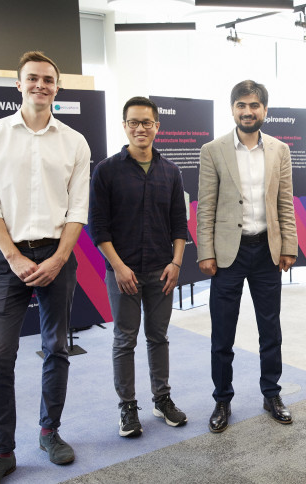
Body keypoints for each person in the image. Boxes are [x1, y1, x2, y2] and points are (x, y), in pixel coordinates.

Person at [0, 51, 90, 483]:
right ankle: (2, 452)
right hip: (9, 259)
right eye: (33, 79)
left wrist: (59, 257)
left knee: (56, 346)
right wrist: (15, 257)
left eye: (48, 80)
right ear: (18, 85)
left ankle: (49, 432)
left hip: (59, 255)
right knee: (0, 354)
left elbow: (79, 208)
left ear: (57, 87)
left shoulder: (75, 142)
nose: (41, 85)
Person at [196, 80, 298, 433]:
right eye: (241, 105)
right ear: (232, 109)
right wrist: (205, 251)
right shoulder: (213, 150)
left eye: (254, 105)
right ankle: (222, 399)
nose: (248, 111)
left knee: (271, 330)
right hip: (228, 255)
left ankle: (272, 394)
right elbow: (205, 206)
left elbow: (285, 200)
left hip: (266, 252)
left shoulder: (279, 150)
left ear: (265, 110)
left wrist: (289, 246)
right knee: (222, 334)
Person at [88, 96, 188, 438]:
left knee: (158, 337)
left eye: (147, 122)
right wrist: (118, 266)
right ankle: (127, 407)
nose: (140, 128)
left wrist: (176, 263)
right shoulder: (106, 170)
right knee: (124, 340)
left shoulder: (171, 172)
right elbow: (98, 227)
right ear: (125, 125)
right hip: (123, 273)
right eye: (134, 122)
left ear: (157, 126)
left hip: (161, 271)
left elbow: (179, 224)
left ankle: (162, 399)